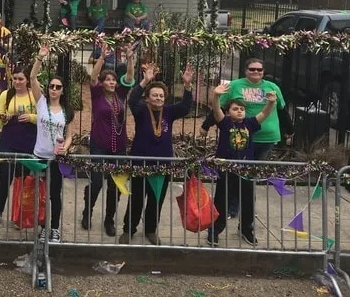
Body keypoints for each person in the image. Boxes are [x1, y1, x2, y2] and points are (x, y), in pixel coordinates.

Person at [200, 58, 288, 218]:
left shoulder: (272, 87)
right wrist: (206, 125)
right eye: (252, 69)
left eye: (259, 70)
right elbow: (220, 109)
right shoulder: (235, 86)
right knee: (234, 175)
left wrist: (289, 129)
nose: (256, 72)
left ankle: (245, 214)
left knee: (248, 177)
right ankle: (232, 208)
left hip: (265, 138)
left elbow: (281, 110)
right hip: (242, 137)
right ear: (246, 70)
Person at [120, 62, 193, 245]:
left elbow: (185, 106)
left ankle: (151, 230)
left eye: (161, 95)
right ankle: (129, 230)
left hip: (162, 165)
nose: (159, 98)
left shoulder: (169, 112)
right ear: (148, 98)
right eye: (155, 95)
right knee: (136, 198)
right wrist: (145, 80)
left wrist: (187, 85)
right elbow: (132, 99)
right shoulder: (141, 111)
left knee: (156, 199)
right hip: (140, 164)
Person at [206, 83, 276, 247]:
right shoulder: (225, 123)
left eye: (241, 109)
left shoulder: (250, 124)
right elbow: (216, 111)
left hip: (246, 170)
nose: (239, 111)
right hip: (226, 170)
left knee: (247, 200)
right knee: (221, 201)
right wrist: (216, 96)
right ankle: (214, 231)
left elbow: (264, 114)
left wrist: (271, 103)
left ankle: (246, 229)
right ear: (229, 111)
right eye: (235, 108)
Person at [81, 41, 136, 237]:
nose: (112, 82)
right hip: (99, 145)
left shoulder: (121, 94)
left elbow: (129, 76)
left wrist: (130, 57)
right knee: (96, 182)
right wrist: (102, 57)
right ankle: (88, 211)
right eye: (108, 80)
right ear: (103, 83)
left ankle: (109, 219)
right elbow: (93, 76)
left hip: (119, 147)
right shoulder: (96, 95)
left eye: (114, 80)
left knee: (116, 185)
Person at [29, 45, 75, 243]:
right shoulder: (41, 102)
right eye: (51, 86)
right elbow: (32, 79)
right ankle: (42, 228)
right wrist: (39, 57)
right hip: (39, 156)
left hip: (56, 159)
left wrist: (67, 146)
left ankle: (54, 228)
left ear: (63, 91)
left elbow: (70, 135)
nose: (54, 89)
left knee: (54, 196)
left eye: (58, 87)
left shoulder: (67, 111)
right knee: (40, 196)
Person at [0, 67, 37, 229]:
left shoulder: (34, 95)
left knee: (22, 180)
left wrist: (31, 117)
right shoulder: (5, 95)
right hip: (8, 141)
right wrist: (4, 118)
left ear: (27, 80)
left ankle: (20, 215)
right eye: (15, 78)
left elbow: (44, 116)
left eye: (21, 79)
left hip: (28, 141)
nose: (17, 82)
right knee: (4, 178)